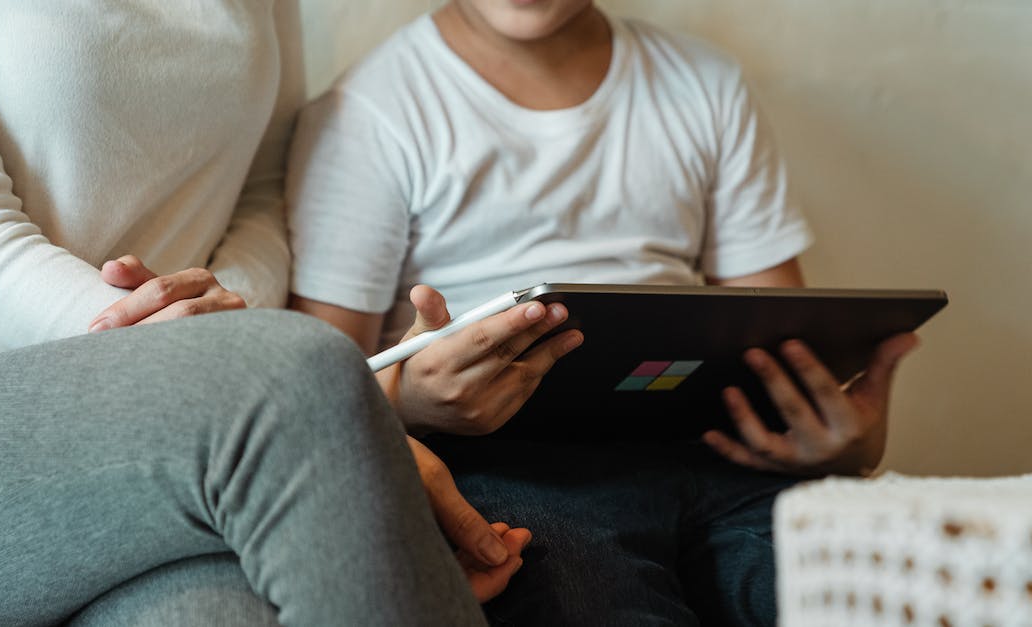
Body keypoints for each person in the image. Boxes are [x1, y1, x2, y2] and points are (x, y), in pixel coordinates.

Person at [0, 2, 522, 624]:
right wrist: (326, 423)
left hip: (166, 437)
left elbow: (263, 189)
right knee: (299, 372)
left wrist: (208, 345)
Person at [285, 0, 920, 625]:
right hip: (505, 466)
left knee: (866, 594)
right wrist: (408, 406)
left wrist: (838, 443)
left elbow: (777, 333)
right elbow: (314, 392)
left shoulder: (703, 84)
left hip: (715, 455)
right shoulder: (368, 110)